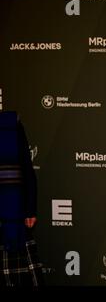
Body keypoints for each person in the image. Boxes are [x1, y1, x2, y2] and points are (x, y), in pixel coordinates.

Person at [0, 111, 44, 286]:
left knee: (19, 279)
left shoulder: (11, 125)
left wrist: (30, 208)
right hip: (12, 214)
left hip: (12, 217)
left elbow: (26, 167)